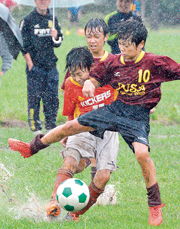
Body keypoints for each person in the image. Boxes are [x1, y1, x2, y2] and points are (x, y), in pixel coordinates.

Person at [8, 20, 180, 226]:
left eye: (128, 45)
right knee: (70, 127)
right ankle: (31, 147)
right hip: (115, 109)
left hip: (137, 117)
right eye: (121, 44)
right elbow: (95, 77)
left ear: (141, 43)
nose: (123, 49)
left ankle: (155, 204)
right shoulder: (115, 62)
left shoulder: (155, 62)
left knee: (142, 153)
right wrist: (90, 83)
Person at [46, 46, 119, 219]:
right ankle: (54, 203)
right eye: (73, 74)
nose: (77, 78)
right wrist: (66, 132)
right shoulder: (71, 84)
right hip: (81, 127)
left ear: (92, 68)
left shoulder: (109, 79)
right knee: (71, 164)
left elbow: (128, 92)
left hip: (108, 131)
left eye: (80, 74)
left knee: (103, 177)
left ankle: (74, 213)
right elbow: (71, 112)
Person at [19, 0, 63, 135]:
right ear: (35, 1)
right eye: (39, 0)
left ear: (50, 2)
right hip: (35, 67)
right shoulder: (27, 20)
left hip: (51, 66)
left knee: (52, 98)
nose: (43, 2)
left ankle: (51, 125)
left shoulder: (53, 18)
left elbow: (58, 42)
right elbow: (21, 43)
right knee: (34, 98)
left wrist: (55, 37)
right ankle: (35, 127)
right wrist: (30, 64)